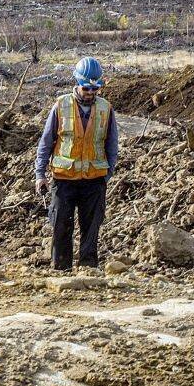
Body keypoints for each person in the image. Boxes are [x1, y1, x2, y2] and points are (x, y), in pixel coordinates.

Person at [34, 57, 119, 271]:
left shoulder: (105, 109)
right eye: (87, 88)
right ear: (77, 83)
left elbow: (112, 145)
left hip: (94, 180)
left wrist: (106, 175)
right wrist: (40, 174)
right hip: (64, 180)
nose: (91, 92)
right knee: (61, 225)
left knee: (91, 228)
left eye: (95, 88)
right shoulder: (61, 106)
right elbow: (46, 142)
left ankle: (88, 268)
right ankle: (61, 268)